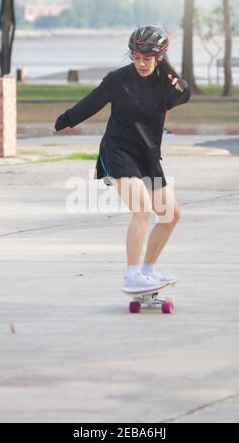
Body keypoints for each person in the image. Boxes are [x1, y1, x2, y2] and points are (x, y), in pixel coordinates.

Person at [54, 25, 191, 294]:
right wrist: (65, 120)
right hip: (118, 151)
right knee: (142, 209)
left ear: (159, 57)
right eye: (136, 57)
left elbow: (183, 93)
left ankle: (147, 271)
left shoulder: (165, 83)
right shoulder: (118, 80)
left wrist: (171, 73)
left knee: (170, 215)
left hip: (147, 154)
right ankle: (131, 275)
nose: (140, 63)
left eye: (147, 58)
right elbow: (92, 101)